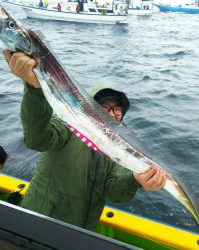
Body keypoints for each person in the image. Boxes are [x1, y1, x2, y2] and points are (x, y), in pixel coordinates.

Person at [2, 49, 168, 231]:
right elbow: (37, 139)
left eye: (118, 109)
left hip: (82, 231)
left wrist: (136, 179)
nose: (112, 113)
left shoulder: (119, 149)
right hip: (40, 222)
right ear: (89, 106)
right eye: (105, 106)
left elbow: (114, 192)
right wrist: (35, 90)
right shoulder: (68, 124)